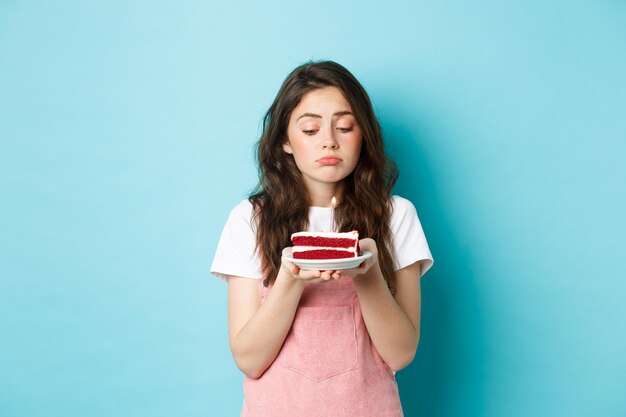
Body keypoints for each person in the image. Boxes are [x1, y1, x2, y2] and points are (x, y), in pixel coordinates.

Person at [210, 60, 434, 417]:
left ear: (364, 135)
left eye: (345, 126)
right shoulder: (249, 220)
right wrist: (290, 278)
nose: (329, 140)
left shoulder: (396, 216)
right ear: (284, 140)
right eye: (311, 129)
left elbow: (401, 354)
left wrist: (369, 273)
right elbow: (249, 359)